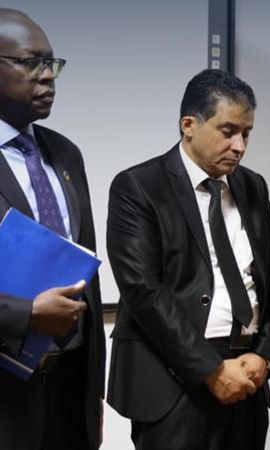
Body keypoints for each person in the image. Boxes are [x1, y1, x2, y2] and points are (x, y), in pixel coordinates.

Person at [106, 69, 270, 449]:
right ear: (188, 125)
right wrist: (210, 369)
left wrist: (265, 354)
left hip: (247, 375)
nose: (239, 146)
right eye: (228, 131)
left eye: (247, 133)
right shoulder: (139, 186)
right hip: (172, 380)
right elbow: (143, 291)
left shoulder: (253, 186)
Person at [0, 8, 105, 450]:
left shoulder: (65, 154)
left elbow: (87, 276)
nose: (47, 77)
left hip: (70, 390)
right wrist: (26, 313)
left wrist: (93, 392)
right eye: (30, 63)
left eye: (51, 64)